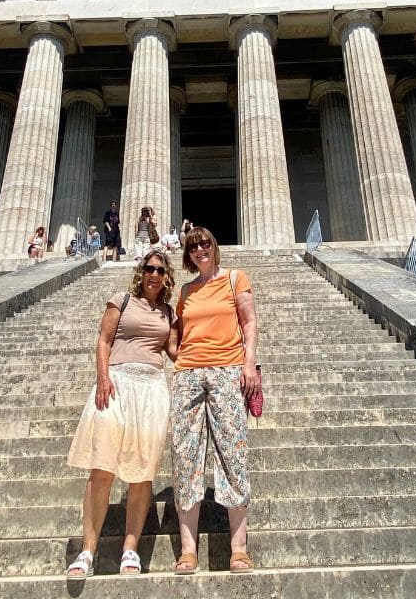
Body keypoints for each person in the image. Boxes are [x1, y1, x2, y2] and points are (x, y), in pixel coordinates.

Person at [66, 251, 176, 578]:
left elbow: (174, 351)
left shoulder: (168, 312)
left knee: (142, 472)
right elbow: (103, 340)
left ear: (167, 276)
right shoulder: (121, 300)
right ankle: (88, 550)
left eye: (159, 269)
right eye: (148, 268)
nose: (154, 274)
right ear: (141, 272)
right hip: (116, 383)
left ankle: (130, 549)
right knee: (102, 468)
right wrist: (102, 378)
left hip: (152, 387)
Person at [168, 226, 258, 574]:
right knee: (185, 454)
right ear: (188, 254)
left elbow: (249, 323)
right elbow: (176, 328)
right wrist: (179, 357)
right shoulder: (186, 290)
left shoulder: (235, 279)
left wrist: (248, 364)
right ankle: (188, 550)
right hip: (189, 374)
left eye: (205, 243)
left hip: (227, 370)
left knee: (231, 452)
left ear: (214, 246)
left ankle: (239, 548)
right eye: (193, 247)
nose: (199, 250)